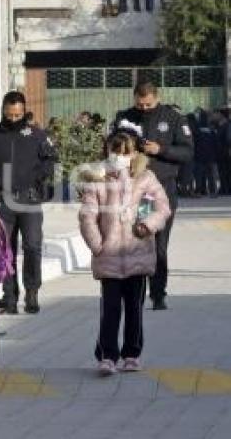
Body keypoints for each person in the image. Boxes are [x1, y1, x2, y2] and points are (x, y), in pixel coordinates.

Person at [78, 129, 171, 376]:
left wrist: (146, 224)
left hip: (138, 254)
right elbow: (88, 216)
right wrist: (98, 245)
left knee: (134, 308)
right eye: (114, 151)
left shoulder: (146, 178)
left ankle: (132, 353)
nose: (120, 156)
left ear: (135, 153)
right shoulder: (97, 180)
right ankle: (107, 355)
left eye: (125, 152)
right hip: (108, 257)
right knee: (109, 310)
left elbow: (161, 208)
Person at [0, 91, 58, 314]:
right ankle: (9, 297)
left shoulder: (37, 135)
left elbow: (50, 159)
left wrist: (39, 177)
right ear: (3, 110)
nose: (13, 118)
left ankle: (32, 292)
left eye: (17, 114)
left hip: (29, 199)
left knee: (32, 245)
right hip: (3, 200)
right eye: (9, 115)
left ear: (23, 111)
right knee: (5, 250)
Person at [113, 82, 193, 310]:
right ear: (134, 98)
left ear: (157, 98)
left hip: (162, 191)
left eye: (149, 104)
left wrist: (162, 150)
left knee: (158, 245)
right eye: (140, 103)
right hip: (133, 190)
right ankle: (134, 293)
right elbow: (111, 146)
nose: (145, 108)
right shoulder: (125, 117)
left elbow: (188, 152)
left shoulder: (174, 118)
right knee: (134, 242)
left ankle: (158, 293)